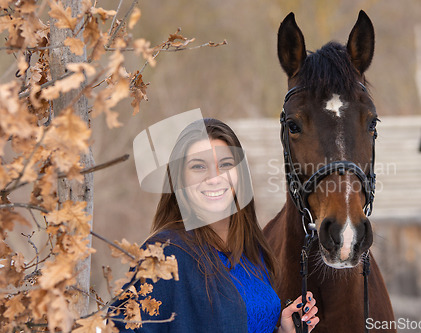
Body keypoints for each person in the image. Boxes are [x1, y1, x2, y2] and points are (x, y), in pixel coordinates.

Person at [112, 118, 319, 333]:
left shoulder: (252, 252)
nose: (214, 178)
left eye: (226, 164)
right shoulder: (165, 255)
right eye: (199, 166)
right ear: (179, 179)